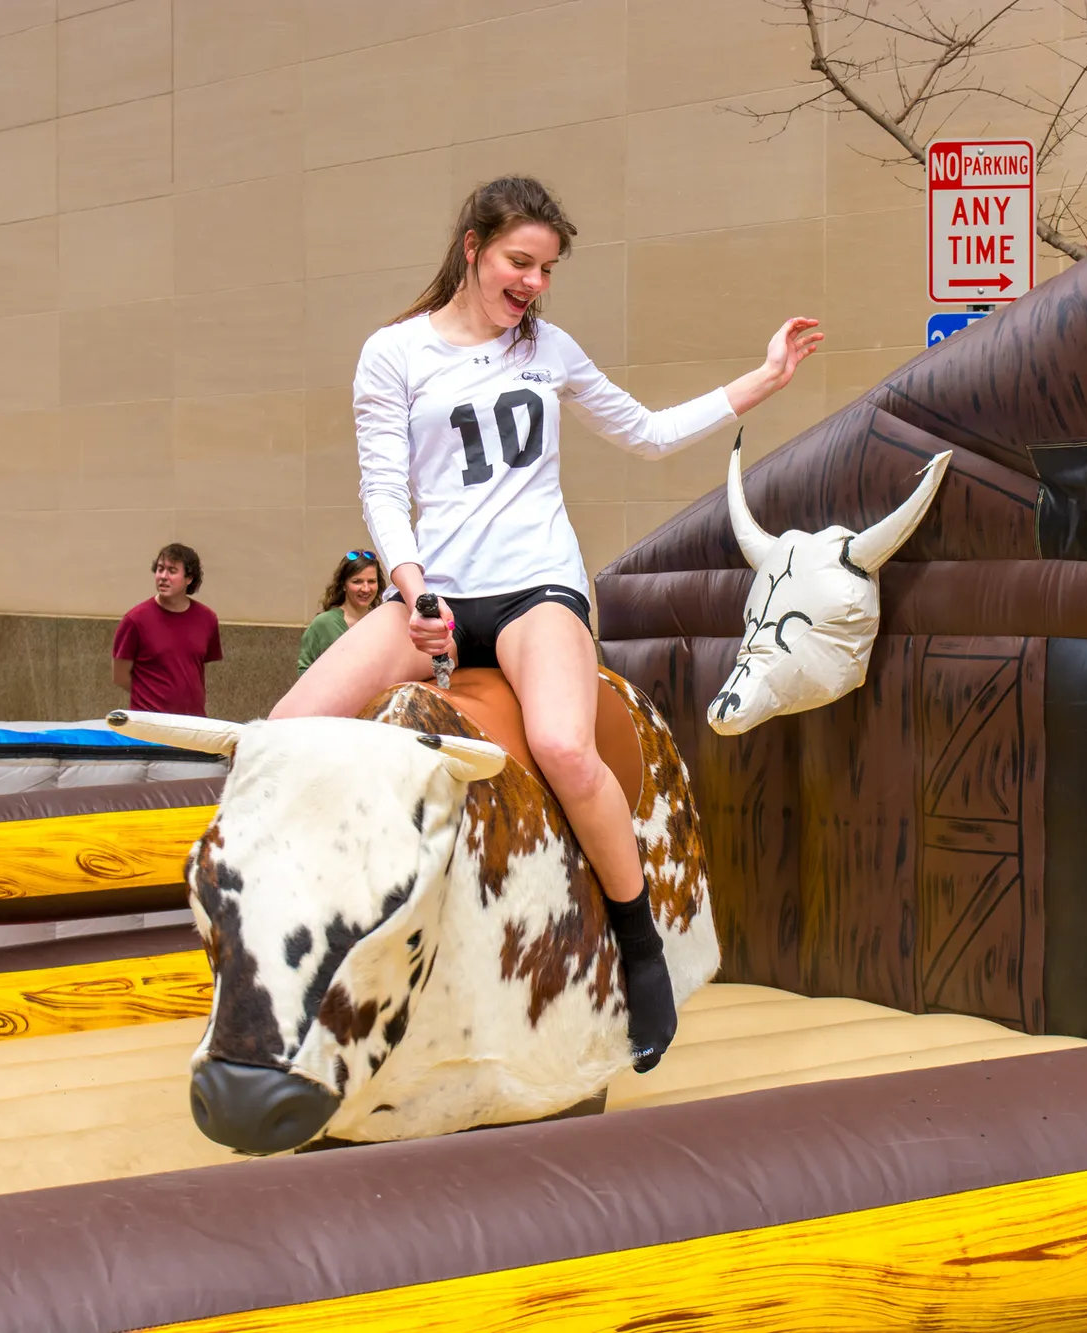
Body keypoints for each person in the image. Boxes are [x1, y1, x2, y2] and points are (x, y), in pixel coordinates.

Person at [272, 176, 820, 1073]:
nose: (533, 282)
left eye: (547, 268)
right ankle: (291, 948)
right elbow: (383, 486)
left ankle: (639, 946)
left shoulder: (549, 350)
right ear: (473, 249)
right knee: (283, 737)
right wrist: (411, 589)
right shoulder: (394, 354)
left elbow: (644, 431)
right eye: (519, 262)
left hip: (534, 591)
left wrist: (763, 378)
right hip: (433, 592)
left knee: (566, 748)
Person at [114, 543, 222, 717]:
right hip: (149, 723)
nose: (163, 576)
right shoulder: (135, 620)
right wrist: (151, 697)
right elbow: (120, 676)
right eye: (160, 569)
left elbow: (195, 669)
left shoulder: (207, 618)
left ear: (189, 578)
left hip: (193, 723)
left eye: (172, 571)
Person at [298, 550, 384, 674]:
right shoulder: (324, 624)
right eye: (357, 581)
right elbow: (304, 671)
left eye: (371, 581)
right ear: (344, 585)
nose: (366, 589)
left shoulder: (383, 624)